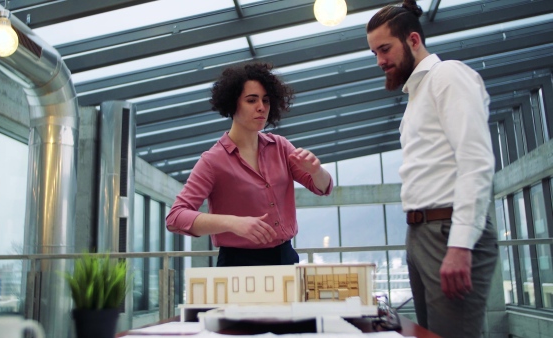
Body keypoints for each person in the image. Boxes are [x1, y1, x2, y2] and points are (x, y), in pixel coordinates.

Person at [366, 1, 498, 337]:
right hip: (422, 234)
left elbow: (475, 160)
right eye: (374, 53)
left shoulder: (448, 76)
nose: (380, 61)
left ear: (413, 40)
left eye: (385, 49)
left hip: (448, 232)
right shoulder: (416, 94)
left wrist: (460, 244)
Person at [166, 62, 333, 267]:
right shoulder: (213, 161)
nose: (261, 107)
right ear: (232, 103)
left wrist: (317, 171)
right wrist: (233, 223)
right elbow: (175, 217)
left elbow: (323, 187)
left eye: (266, 100)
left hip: (285, 257)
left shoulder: (280, 146)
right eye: (251, 100)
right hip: (238, 263)